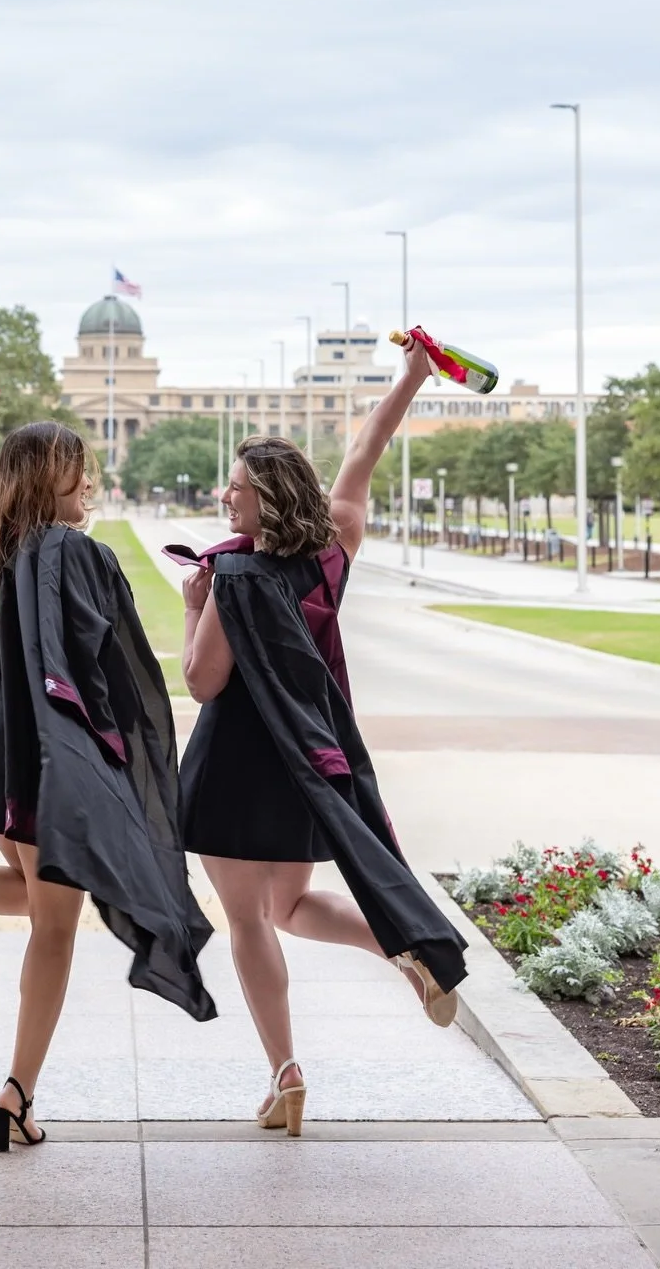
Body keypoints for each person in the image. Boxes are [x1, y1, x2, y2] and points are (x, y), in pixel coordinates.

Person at [0, 286, 212, 1152]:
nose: (90, 482)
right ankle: (15, 1095)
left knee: (39, 897)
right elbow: (102, 670)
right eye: (78, 470)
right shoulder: (73, 555)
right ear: (51, 479)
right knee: (54, 924)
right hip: (48, 748)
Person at [177, 331, 467, 1136]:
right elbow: (365, 450)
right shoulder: (335, 546)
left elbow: (203, 683)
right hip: (309, 758)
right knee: (294, 903)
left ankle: (285, 1073)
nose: (225, 498)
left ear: (266, 497)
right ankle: (399, 949)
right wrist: (411, 377)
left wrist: (194, 607)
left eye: (236, 490)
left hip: (234, 763)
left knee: (248, 921)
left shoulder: (232, 577)